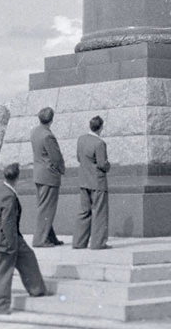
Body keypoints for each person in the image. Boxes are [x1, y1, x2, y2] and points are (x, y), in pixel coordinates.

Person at [0, 162, 46, 315]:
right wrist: (10, 245)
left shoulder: (2, 190)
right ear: (17, 178)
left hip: (11, 237)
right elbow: (7, 222)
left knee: (28, 258)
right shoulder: (9, 195)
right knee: (3, 272)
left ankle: (37, 289)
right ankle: (0, 306)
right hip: (7, 240)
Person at [72, 115, 111, 250]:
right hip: (97, 182)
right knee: (99, 212)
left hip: (83, 180)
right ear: (101, 128)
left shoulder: (81, 140)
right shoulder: (100, 143)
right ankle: (98, 243)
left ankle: (78, 242)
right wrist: (108, 165)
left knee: (84, 211)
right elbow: (101, 164)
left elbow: (79, 157)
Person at [30, 107, 66, 247]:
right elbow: (55, 157)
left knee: (44, 206)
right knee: (46, 208)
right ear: (51, 119)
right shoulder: (47, 135)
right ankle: (40, 239)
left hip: (39, 174)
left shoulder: (35, 132)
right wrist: (61, 169)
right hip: (49, 175)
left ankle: (50, 237)